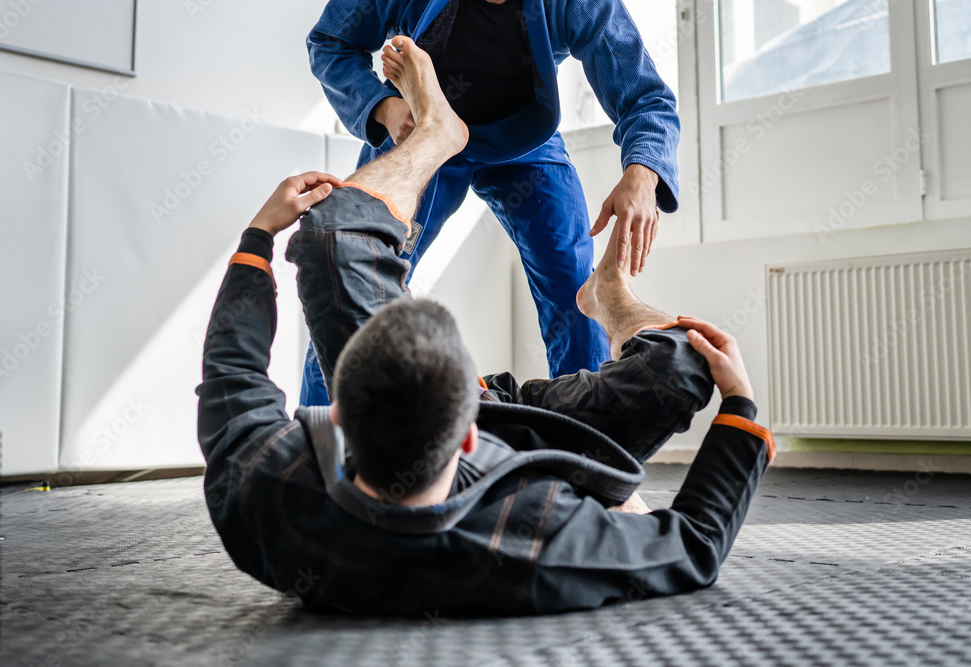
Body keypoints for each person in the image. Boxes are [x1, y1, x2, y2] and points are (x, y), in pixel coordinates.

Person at [197, 39, 773, 616]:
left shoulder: (264, 492)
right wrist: (740, 405)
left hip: (453, 422)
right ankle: (611, 294)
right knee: (685, 359)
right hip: (536, 445)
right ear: (469, 431)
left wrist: (256, 237)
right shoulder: (544, 535)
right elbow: (697, 545)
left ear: (338, 418)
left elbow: (232, 368)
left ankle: (434, 135)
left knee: (328, 239)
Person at [301, 0, 680, 405]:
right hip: (419, 129)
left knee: (573, 286)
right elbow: (329, 42)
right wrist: (384, 107)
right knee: (357, 278)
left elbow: (646, 97)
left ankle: (583, 446)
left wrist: (643, 170)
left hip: (523, 139)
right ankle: (314, 444)